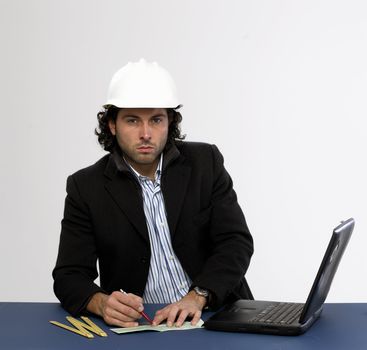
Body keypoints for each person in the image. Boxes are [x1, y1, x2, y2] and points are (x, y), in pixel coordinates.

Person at [53, 59, 254, 328]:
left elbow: (235, 241)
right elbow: (69, 275)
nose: (146, 134)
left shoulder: (206, 162)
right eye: (132, 120)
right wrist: (100, 302)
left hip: (214, 314)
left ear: (169, 122)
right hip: (141, 325)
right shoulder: (85, 187)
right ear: (112, 124)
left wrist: (197, 296)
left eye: (156, 120)